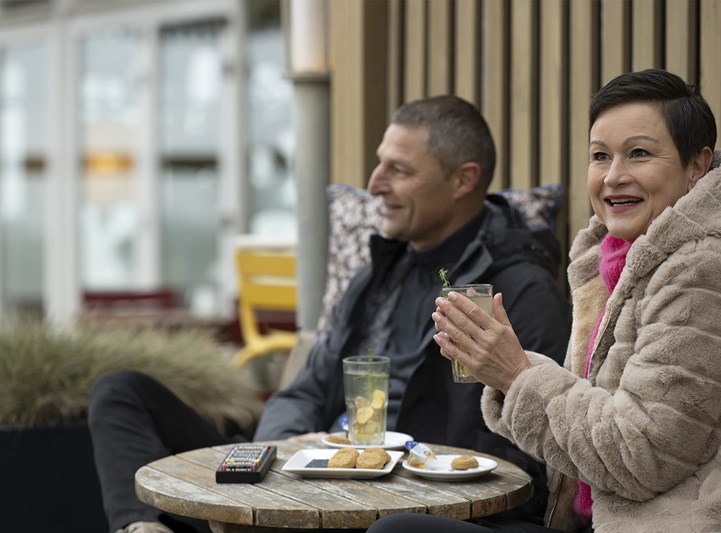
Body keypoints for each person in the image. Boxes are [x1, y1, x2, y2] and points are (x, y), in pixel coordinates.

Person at [88, 94, 571, 533]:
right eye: (379, 165)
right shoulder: (379, 272)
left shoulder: (518, 291)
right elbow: (304, 390)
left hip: (403, 506)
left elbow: (520, 456)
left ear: (463, 179)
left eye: (398, 170)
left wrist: (388, 471)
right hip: (311, 477)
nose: (374, 184)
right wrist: (285, 451)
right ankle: (143, 529)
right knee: (122, 392)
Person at [367, 69, 721, 533]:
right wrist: (512, 371)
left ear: (697, 164)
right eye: (600, 156)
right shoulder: (617, 263)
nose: (614, 176)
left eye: (638, 153)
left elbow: (642, 457)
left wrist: (516, 374)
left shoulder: (712, 271)